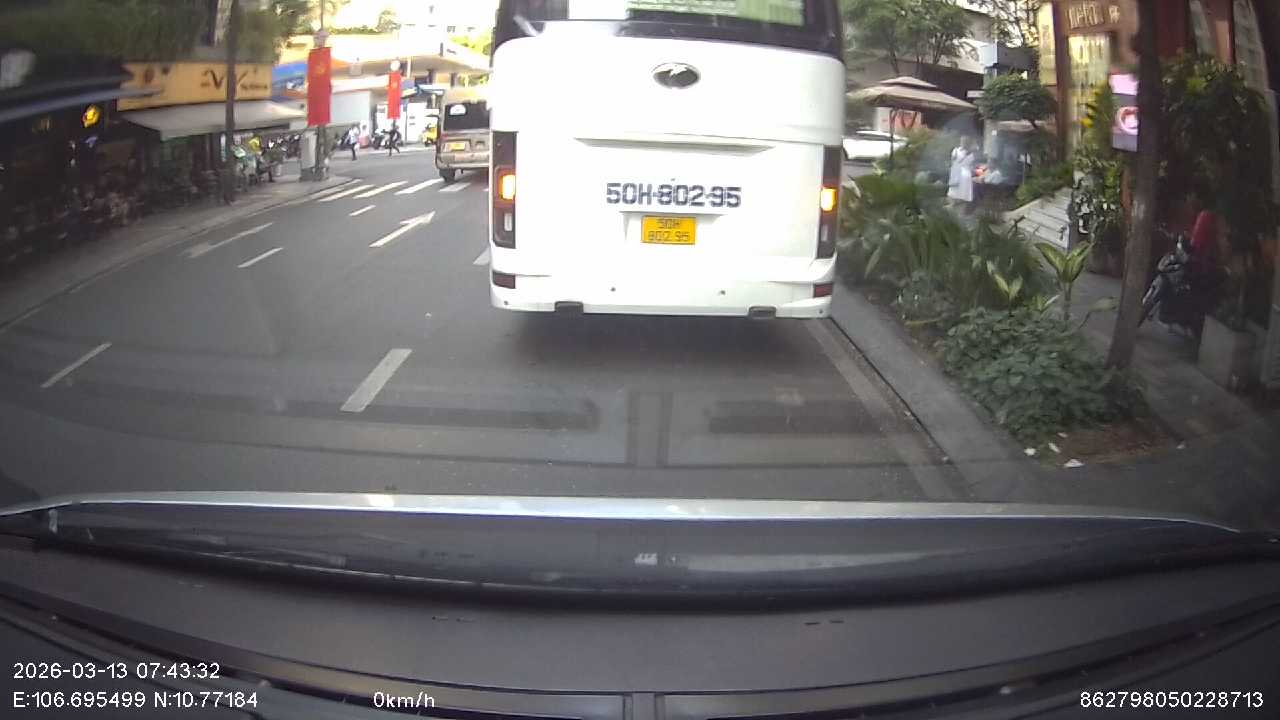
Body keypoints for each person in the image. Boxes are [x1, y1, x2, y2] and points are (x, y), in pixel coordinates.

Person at [947, 138, 975, 210]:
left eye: (964, 142)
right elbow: (971, 164)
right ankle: (956, 204)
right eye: (962, 141)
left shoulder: (959, 151)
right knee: (957, 189)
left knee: (959, 189)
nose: (963, 143)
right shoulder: (958, 151)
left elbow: (953, 161)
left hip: (961, 172)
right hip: (962, 172)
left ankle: (956, 204)